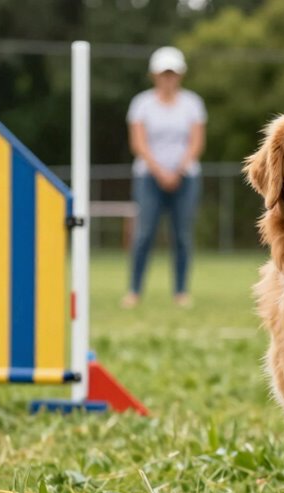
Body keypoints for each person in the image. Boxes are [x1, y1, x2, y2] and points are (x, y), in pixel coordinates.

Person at [122, 46, 207, 309]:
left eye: (172, 73)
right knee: (143, 234)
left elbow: (196, 143)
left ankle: (181, 292)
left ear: (180, 75)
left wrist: (178, 170)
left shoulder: (192, 103)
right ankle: (134, 291)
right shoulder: (141, 104)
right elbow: (139, 143)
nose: (168, 78)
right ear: (154, 75)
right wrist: (160, 171)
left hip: (186, 178)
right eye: (163, 73)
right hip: (149, 177)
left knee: (182, 236)